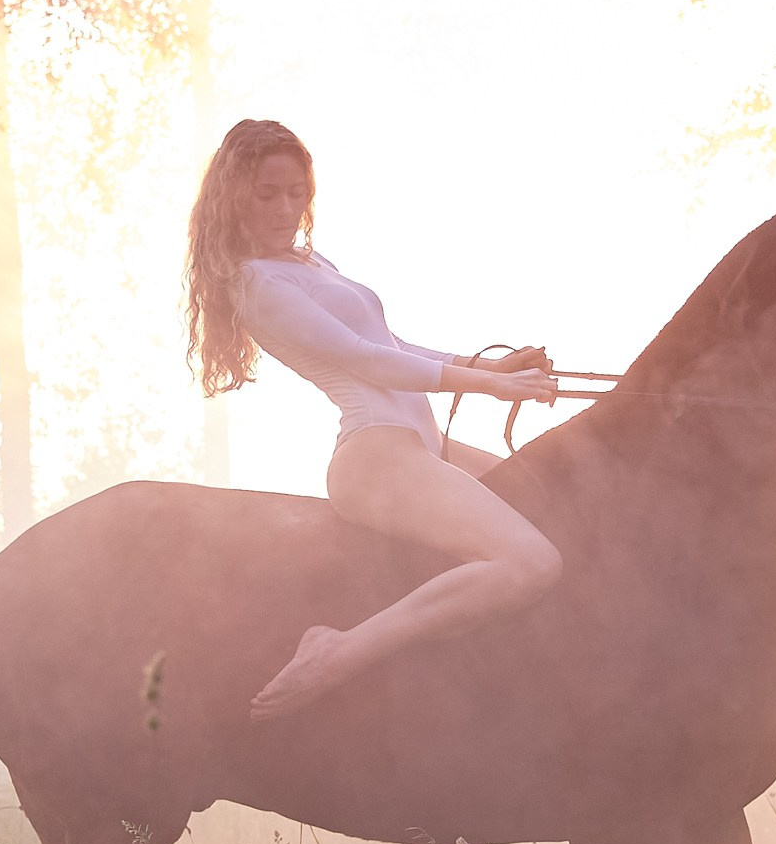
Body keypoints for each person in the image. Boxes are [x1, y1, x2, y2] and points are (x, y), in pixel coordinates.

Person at [185, 119, 564, 719]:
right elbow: (364, 361)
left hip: (423, 445)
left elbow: (392, 343)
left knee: (557, 505)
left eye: (297, 192)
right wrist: (490, 384)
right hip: (376, 459)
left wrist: (486, 364)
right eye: (267, 194)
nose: (286, 208)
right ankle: (339, 651)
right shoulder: (257, 283)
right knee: (530, 561)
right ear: (234, 196)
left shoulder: (311, 264)